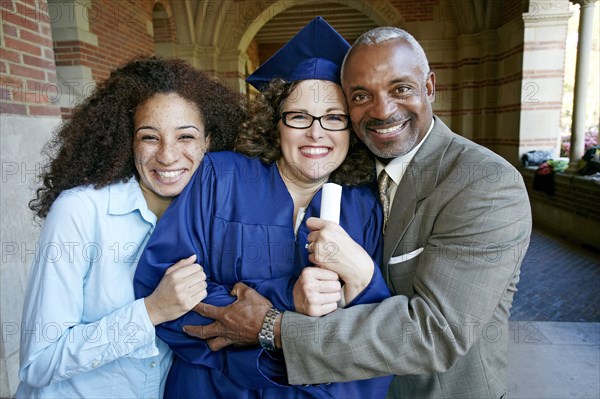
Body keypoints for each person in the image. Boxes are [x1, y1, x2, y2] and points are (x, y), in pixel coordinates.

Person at [185, 27, 533, 399]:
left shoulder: (484, 183)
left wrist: (273, 327)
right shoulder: (359, 172)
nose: (383, 110)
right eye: (362, 95)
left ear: (429, 87)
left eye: (401, 88)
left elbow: (436, 333)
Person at [133, 17, 392, 399]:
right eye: (299, 116)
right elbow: (165, 285)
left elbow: (371, 332)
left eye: (334, 118)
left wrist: (269, 323)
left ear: (351, 129)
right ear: (276, 123)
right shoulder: (220, 177)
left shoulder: (365, 207)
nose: (316, 132)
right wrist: (286, 308)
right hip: (213, 388)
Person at [16, 56, 246, 398]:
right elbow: (39, 362)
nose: (168, 156)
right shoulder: (80, 212)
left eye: (186, 137)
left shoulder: (214, 219)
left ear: (209, 142)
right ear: (129, 141)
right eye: (150, 137)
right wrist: (152, 310)